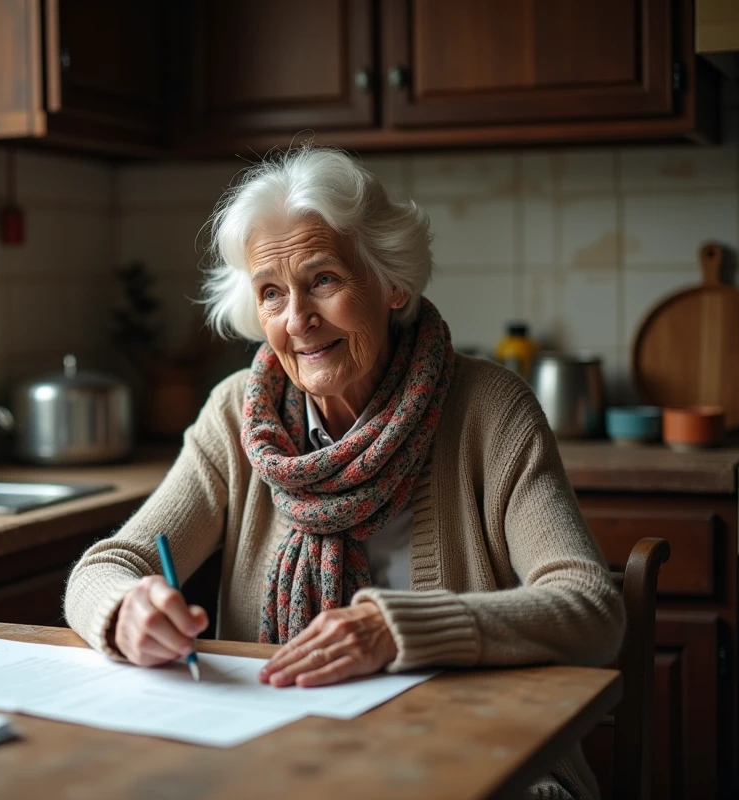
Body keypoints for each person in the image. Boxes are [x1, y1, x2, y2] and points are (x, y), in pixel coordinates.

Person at [65, 146, 623, 799]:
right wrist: (126, 609)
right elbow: (104, 568)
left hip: (473, 751)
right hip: (284, 759)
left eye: (323, 279)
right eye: (271, 293)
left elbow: (592, 608)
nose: (297, 318)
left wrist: (398, 628)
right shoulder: (235, 416)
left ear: (393, 284)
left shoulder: (488, 410)